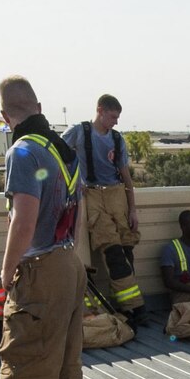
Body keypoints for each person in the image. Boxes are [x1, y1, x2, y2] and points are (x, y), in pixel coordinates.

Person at [0, 75, 89, 379]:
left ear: (4, 115)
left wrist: (7, 269)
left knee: (27, 368)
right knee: (65, 363)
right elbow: (78, 212)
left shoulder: (23, 150)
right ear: (36, 104)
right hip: (69, 262)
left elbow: (24, 219)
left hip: (39, 271)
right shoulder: (63, 148)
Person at [63, 94, 147, 326]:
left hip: (116, 196)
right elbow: (56, 155)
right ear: (100, 110)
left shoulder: (117, 139)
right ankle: (135, 307)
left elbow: (127, 178)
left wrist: (133, 210)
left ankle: (124, 302)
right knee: (113, 254)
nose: (116, 122)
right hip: (91, 196)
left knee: (126, 252)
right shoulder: (79, 132)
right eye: (113, 116)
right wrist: (71, 182)